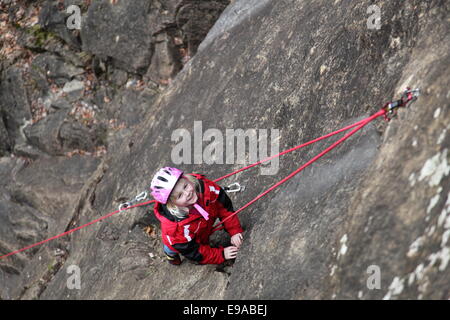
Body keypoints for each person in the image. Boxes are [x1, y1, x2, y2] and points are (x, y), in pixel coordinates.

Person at [151, 167, 244, 265]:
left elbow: (225, 209)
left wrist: (234, 231)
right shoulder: (176, 230)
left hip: (200, 229)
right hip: (177, 242)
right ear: (172, 204)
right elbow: (193, 252)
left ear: (187, 179)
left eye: (185, 186)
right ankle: (170, 256)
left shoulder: (207, 189)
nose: (187, 193)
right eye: (179, 196)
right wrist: (221, 254)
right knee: (170, 249)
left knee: (201, 240)